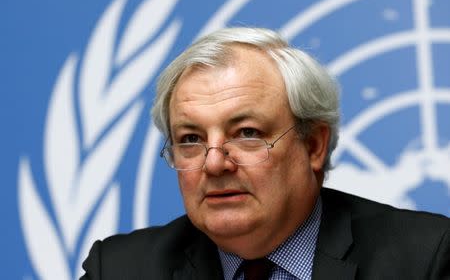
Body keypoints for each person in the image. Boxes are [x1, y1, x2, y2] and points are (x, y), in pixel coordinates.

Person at [81, 27, 450, 280]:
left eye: (247, 134)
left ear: (313, 145)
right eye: (191, 139)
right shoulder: (119, 269)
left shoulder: (425, 260)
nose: (214, 162)